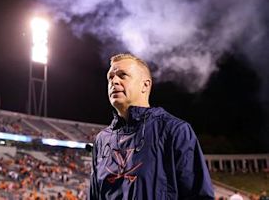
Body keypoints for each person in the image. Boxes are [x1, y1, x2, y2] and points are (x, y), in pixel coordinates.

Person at [89, 53, 214, 199]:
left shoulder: (175, 130)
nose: (114, 81)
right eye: (110, 77)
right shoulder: (102, 140)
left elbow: (199, 196)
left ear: (145, 85)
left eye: (122, 75)